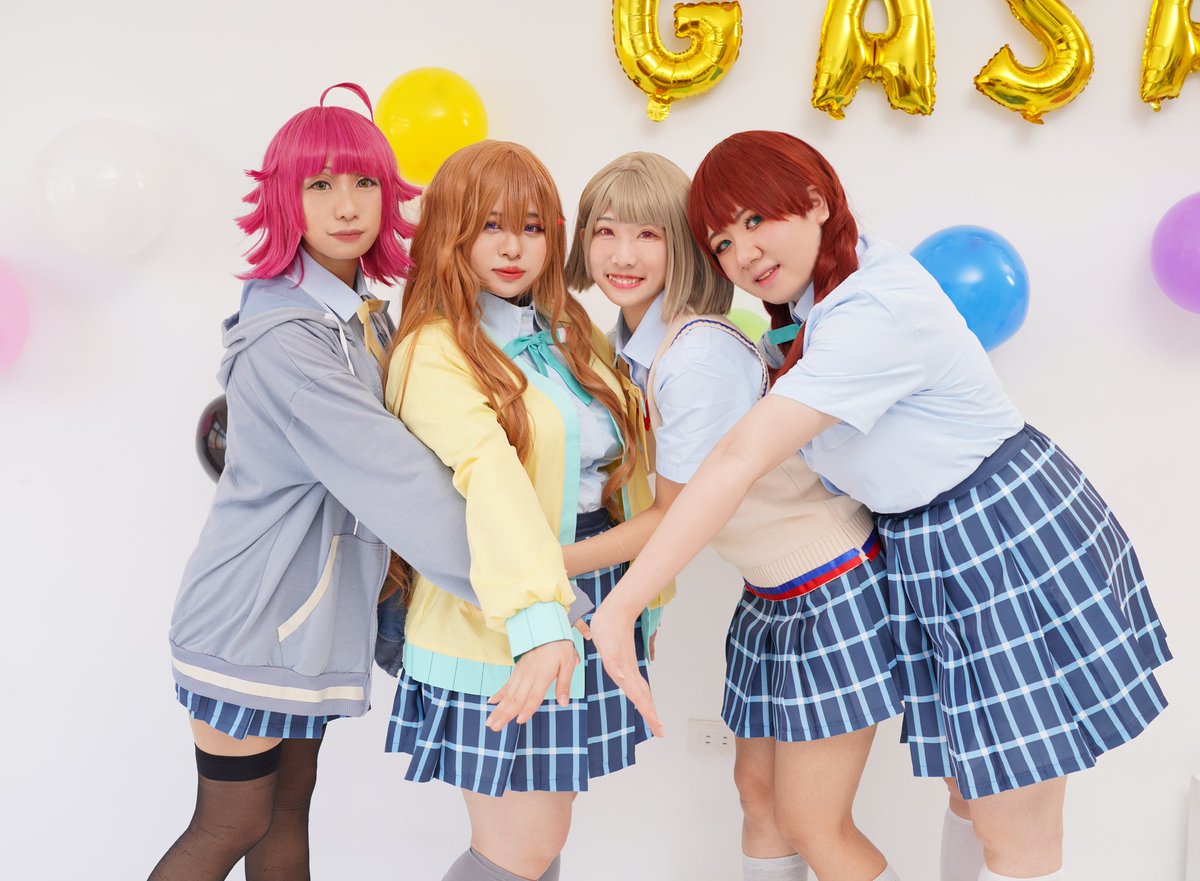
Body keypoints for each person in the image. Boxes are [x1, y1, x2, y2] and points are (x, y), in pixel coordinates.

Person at [589, 131, 1171, 881]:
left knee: (1011, 822)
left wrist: (621, 605)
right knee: (968, 790)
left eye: (757, 220)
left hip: (996, 530)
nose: (744, 253)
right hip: (923, 539)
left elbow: (737, 459)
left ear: (816, 200)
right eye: (723, 240)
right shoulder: (815, 306)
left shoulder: (870, 310)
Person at [152, 83, 479, 881]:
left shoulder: (361, 318)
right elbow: (397, 476)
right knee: (230, 821)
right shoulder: (289, 341)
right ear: (284, 199)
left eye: (365, 182)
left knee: (286, 811)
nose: (347, 204)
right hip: (252, 617)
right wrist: (521, 586)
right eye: (320, 183)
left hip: (306, 621)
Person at [562, 151, 903, 881]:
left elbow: (674, 517)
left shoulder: (697, 355)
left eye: (649, 234)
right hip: (771, 592)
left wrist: (541, 562)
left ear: (684, 247)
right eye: (605, 231)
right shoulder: (628, 351)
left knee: (816, 824)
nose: (623, 255)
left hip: (831, 585)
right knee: (759, 797)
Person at [381, 140, 669, 881]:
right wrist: (542, 623)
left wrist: (639, 603)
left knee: (545, 836)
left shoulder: (568, 330)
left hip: (590, 592)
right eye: (490, 225)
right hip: (505, 613)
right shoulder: (432, 350)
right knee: (519, 847)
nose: (514, 248)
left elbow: (624, 467)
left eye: (533, 227)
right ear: (450, 231)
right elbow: (492, 479)